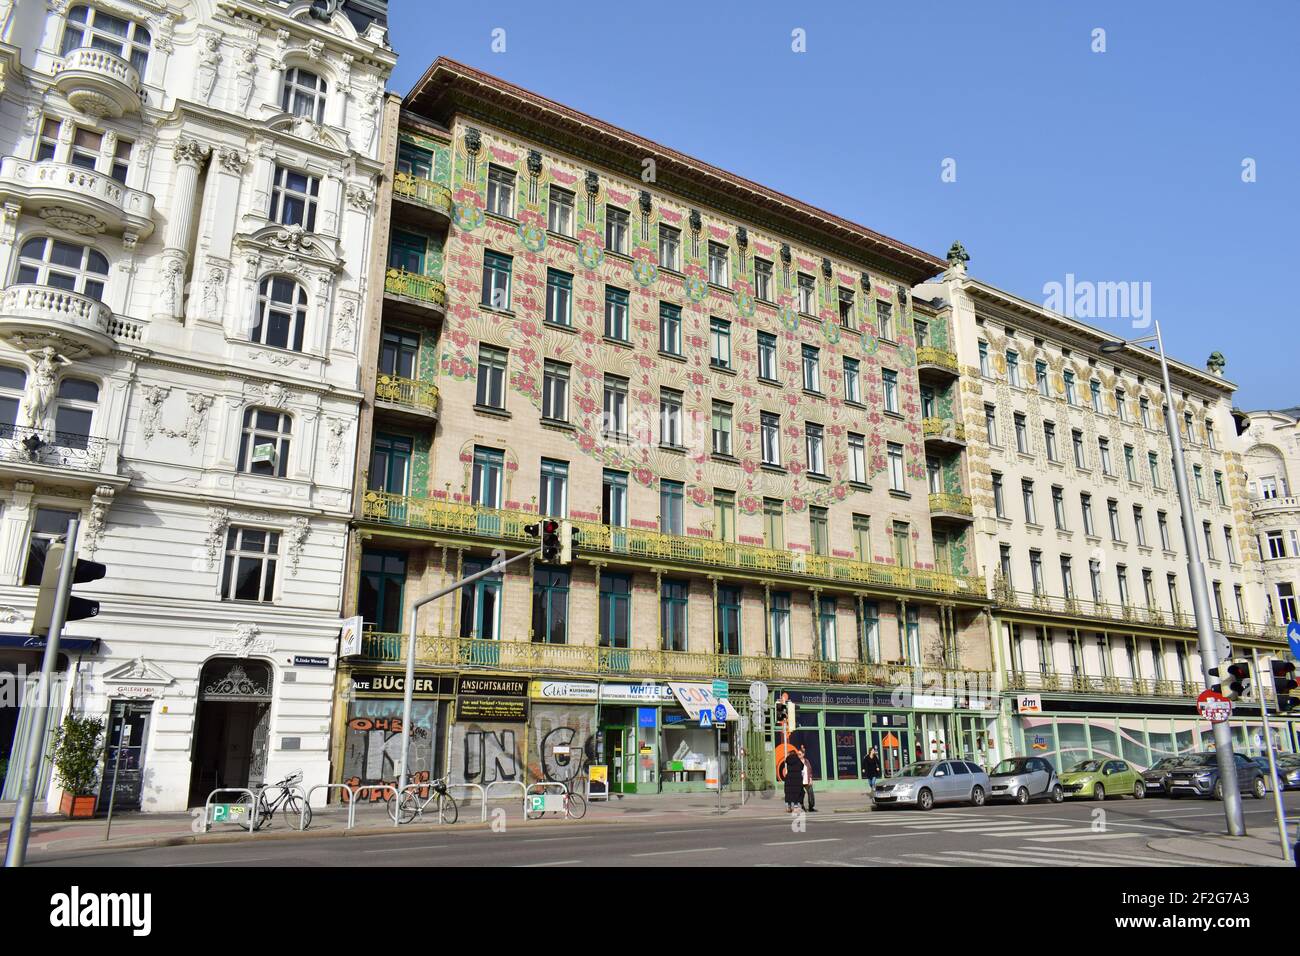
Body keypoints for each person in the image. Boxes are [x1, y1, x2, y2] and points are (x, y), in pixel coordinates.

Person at [782, 748, 804, 813]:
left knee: (789, 793)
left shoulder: (788, 760)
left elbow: (785, 763)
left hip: (789, 778)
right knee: (796, 792)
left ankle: (788, 807)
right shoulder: (798, 760)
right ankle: (795, 807)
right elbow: (802, 767)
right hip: (797, 778)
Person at [799, 746, 816, 812]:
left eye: (800, 754)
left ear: (803, 754)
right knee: (801, 794)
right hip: (800, 781)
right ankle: (802, 806)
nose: (799, 755)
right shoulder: (797, 762)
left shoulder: (806, 761)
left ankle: (811, 807)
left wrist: (810, 779)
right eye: (798, 754)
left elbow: (810, 770)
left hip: (806, 780)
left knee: (811, 793)